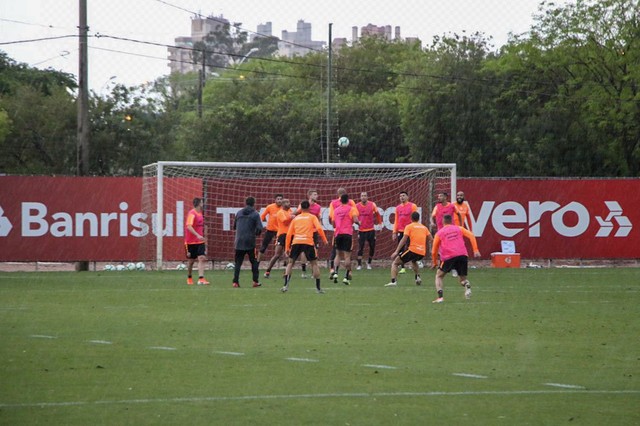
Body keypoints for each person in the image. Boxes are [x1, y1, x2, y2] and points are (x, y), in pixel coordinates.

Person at [430, 214, 481, 303]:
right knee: (462, 279)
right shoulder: (459, 228)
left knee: (439, 276)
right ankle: (467, 285)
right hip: (462, 255)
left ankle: (440, 297)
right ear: (452, 221)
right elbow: (471, 235)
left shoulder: (440, 233)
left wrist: (434, 262)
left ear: (443, 222)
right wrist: (475, 250)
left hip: (448, 257)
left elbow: (434, 250)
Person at [282, 200, 328, 294]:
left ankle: (285, 286)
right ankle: (318, 288)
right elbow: (319, 228)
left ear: (300, 208)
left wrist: (287, 248)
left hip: (296, 242)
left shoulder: (296, 218)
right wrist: (324, 239)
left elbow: (289, 234)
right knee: (314, 264)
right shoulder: (312, 217)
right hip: (308, 242)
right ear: (309, 208)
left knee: (290, 263)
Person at [386, 211, 431, 287]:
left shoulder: (409, 226)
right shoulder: (424, 228)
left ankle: (393, 281)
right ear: (418, 218)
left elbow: (404, 239)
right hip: (422, 252)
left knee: (395, 263)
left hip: (413, 250)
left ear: (411, 219)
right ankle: (417, 277)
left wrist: (396, 251)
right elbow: (431, 239)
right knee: (414, 261)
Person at [232, 196, 263, 288]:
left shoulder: (239, 213)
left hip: (239, 241)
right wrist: (255, 233)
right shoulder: (255, 214)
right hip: (250, 241)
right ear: (254, 203)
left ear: (245, 203)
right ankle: (255, 281)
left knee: (238, 263)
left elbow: (234, 227)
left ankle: (235, 282)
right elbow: (259, 228)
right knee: (253, 262)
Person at [331, 193, 360, 285]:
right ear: (348, 201)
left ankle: (335, 272)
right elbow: (355, 220)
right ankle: (346, 277)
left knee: (338, 254)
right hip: (347, 234)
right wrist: (359, 223)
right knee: (347, 256)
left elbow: (333, 223)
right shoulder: (351, 209)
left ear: (340, 201)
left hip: (338, 234)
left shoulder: (336, 210)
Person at [294, 189, 321, 278]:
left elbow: (319, 218)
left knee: (315, 251)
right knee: (303, 251)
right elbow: (296, 213)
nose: (317, 196)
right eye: (315, 194)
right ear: (310, 196)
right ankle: (304, 271)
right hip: (304, 232)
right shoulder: (303, 205)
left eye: (317, 194)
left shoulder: (318, 207)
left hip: (314, 232)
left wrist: (318, 228)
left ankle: (314, 272)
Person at [264, 198, 294, 279]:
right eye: (287, 202)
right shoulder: (280, 212)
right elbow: (285, 221)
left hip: (289, 235)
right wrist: (292, 217)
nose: (289, 204)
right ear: (283, 204)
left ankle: (286, 273)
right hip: (281, 235)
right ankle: (268, 271)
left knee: (288, 254)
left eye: (289, 202)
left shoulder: (290, 211)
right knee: (277, 254)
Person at [184, 197, 209, 285]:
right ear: (199, 204)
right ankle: (189, 277)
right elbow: (189, 226)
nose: (203, 204)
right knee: (191, 261)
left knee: (201, 258)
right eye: (202, 202)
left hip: (200, 241)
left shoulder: (200, 214)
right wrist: (197, 235)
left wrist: (203, 235)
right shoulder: (192, 213)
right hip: (190, 242)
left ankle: (201, 278)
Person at [392, 191, 418, 274]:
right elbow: (396, 220)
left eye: (403, 196)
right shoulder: (398, 208)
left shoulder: (412, 206)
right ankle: (402, 267)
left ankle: (413, 263)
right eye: (400, 196)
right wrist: (394, 232)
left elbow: (415, 218)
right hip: (401, 231)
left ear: (407, 197)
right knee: (401, 248)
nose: (402, 197)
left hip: (411, 231)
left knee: (411, 248)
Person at [355, 191, 382, 270]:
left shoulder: (372, 205)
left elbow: (377, 214)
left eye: (365, 196)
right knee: (360, 247)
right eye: (362, 196)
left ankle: (369, 263)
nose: (363, 197)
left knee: (372, 247)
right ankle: (359, 264)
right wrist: (356, 222)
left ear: (367, 197)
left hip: (371, 230)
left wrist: (380, 223)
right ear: (360, 197)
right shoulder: (357, 206)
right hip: (361, 230)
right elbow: (353, 216)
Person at [258, 194, 283, 263]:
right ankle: (257, 262)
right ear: (275, 200)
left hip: (280, 231)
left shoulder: (284, 208)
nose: (279, 200)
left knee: (283, 247)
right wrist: (262, 225)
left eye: (281, 199)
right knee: (263, 246)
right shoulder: (270, 207)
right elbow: (262, 216)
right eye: (278, 199)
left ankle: (284, 263)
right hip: (270, 230)